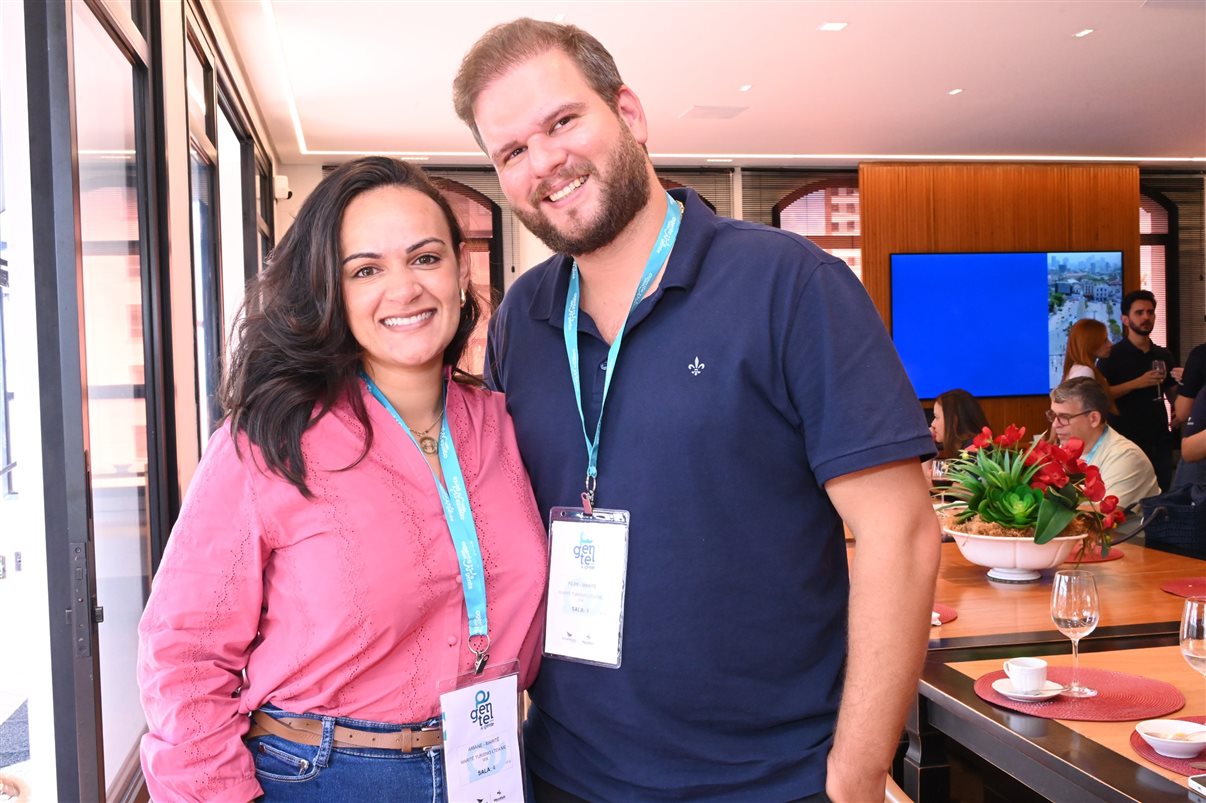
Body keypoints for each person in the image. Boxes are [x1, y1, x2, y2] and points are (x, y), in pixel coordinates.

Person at [453, 19, 941, 803]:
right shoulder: (522, 316)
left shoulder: (792, 285)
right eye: (511, 151)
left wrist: (856, 776)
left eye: (563, 121)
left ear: (631, 115)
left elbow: (903, 533)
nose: (544, 161)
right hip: (567, 775)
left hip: (769, 782)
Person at [137, 157, 548, 802]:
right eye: (366, 269)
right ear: (329, 288)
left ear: (459, 272)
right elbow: (185, 654)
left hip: (492, 761)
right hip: (323, 775)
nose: (404, 289)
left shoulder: (502, 423)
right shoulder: (267, 442)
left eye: (426, 257)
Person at [1097, 290, 1179, 491]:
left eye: (1150, 312)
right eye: (1139, 313)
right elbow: (1101, 397)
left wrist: (1179, 410)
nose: (1146, 318)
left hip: (1159, 439)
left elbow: (1171, 391)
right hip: (1125, 439)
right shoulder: (1112, 356)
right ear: (1125, 319)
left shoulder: (1163, 354)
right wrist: (1137, 383)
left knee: (1162, 495)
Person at [1049, 377, 1160, 511]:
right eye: (1053, 415)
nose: (1055, 425)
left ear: (1094, 419)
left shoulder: (1125, 456)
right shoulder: (1065, 449)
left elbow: (1104, 514)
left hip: (1121, 532)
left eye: (1064, 417)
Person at [930, 388, 990, 459]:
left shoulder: (973, 454)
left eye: (936, 417)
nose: (932, 424)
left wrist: (925, 444)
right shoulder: (963, 449)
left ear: (954, 420)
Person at [1062, 318, 1113, 384]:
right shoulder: (1085, 372)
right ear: (1090, 344)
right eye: (1105, 341)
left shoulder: (1079, 369)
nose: (1110, 344)